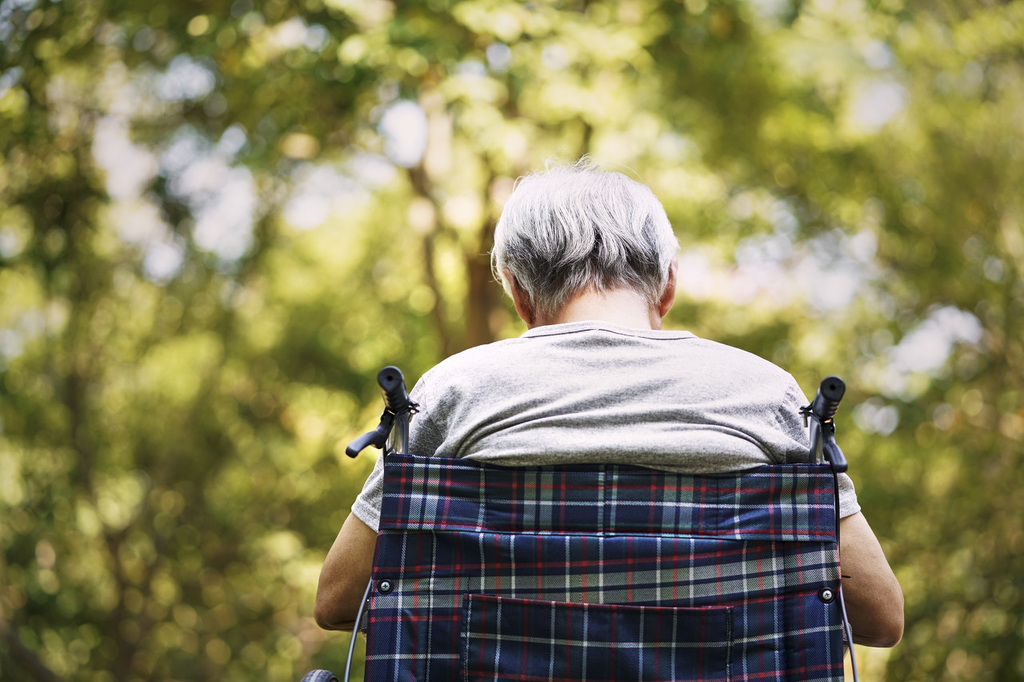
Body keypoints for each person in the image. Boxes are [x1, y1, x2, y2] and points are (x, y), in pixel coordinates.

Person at [315, 161, 904, 647]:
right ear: (668, 285)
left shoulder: (453, 393)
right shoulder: (764, 396)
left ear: (519, 293)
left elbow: (339, 600)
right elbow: (881, 617)